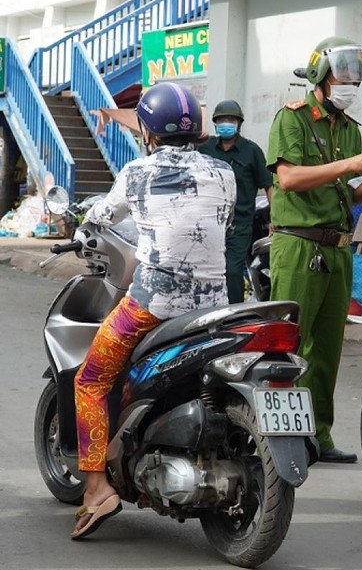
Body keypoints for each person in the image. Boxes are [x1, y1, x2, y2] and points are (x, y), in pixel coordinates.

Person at [72, 83, 236, 539]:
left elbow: (102, 217)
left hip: (152, 306)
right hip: (214, 307)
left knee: (90, 379)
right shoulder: (225, 172)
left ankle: (96, 487)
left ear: (147, 129)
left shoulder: (136, 173)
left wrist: (84, 227)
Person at [266, 36, 362, 464]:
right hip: (299, 246)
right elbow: (288, 179)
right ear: (321, 75)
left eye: (357, 77)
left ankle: (317, 436)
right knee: (288, 344)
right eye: (344, 75)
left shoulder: (350, 128)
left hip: (338, 250)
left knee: (326, 350)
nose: (351, 84)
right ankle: (277, 436)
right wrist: (349, 166)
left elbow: (345, 195)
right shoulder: (293, 119)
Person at [199, 99, 273, 303]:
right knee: (206, 271)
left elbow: (269, 185)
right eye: (222, 119)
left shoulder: (252, 152)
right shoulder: (204, 149)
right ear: (215, 123)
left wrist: (274, 219)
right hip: (208, 223)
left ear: (239, 123)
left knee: (231, 271)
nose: (226, 123)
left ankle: (233, 314)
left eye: (231, 119)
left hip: (239, 225)